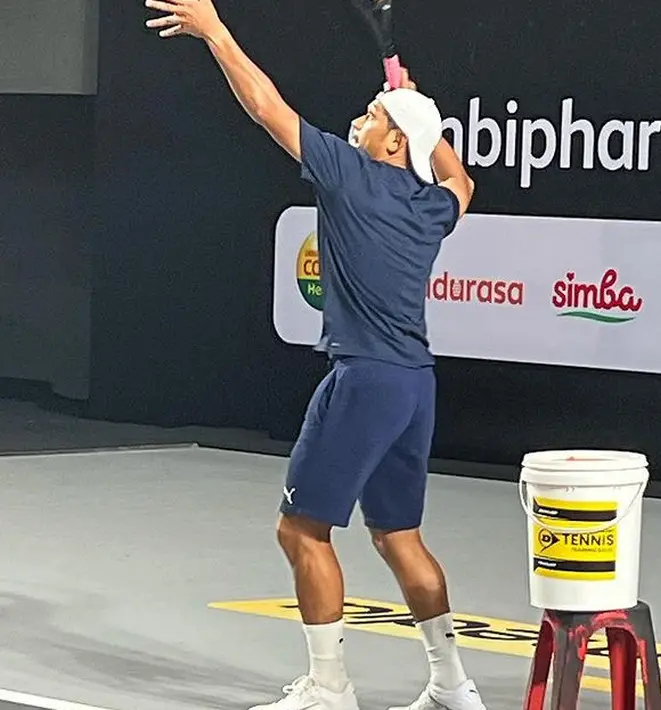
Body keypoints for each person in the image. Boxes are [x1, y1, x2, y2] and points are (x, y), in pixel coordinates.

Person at [144, 2, 483, 710]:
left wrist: (215, 32)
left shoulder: (349, 176)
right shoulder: (430, 206)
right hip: (414, 386)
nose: (362, 118)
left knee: (299, 530)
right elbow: (462, 182)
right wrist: (414, 110)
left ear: (393, 145)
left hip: (362, 382)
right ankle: (453, 685)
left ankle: (329, 689)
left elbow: (265, 105)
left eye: (374, 115)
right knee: (398, 537)